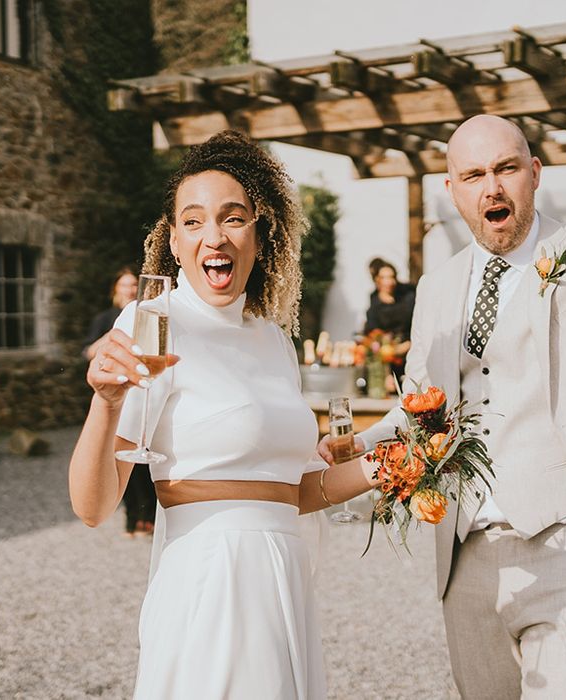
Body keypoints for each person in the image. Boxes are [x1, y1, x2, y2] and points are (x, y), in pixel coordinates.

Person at [319, 35, 566, 699]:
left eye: (506, 169)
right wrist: (355, 447)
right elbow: (422, 406)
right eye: (474, 176)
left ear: (535, 173)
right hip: (469, 564)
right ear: (452, 190)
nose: (493, 186)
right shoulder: (438, 286)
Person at [69, 130, 377, 699]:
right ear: (176, 242)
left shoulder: (274, 339)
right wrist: (106, 403)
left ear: (261, 235)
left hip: (284, 582)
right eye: (194, 221)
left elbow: (300, 494)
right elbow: (92, 507)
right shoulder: (151, 321)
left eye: (233, 218)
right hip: (211, 582)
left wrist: (393, 465)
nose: (215, 235)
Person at [83, 268, 156, 538]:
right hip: (115, 394)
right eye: (123, 285)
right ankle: (130, 519)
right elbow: (89, 351)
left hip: (143, 393)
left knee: (144, 467)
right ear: (115, 289)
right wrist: (117, 332)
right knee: (121, 462)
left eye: (132, 284)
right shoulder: (106, 319)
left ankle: (148, 517)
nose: (128, 289)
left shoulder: (149, 314)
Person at [363, 258, 415, 340]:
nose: (389, 282)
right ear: (377, 280)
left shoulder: (408, 296)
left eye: (392, 277)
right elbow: (374, 334)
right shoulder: (374, 307)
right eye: (384, 278)